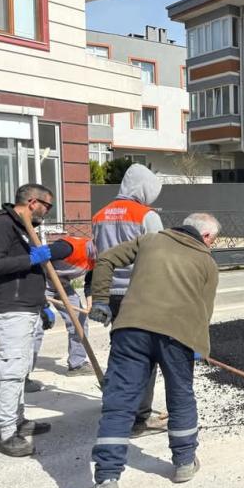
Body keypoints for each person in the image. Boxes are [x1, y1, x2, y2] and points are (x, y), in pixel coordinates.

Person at [84, 213, 220, 488]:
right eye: (214, 240)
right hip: (178, 336)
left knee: (119, 401)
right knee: (181, 396)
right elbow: (204, 310)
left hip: (131, 330)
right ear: (206, 237)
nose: (213, 245)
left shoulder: (150, 241)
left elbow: (105, 259)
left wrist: (102, 301)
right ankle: (184, 463)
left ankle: (106, 479)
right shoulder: (207, 262)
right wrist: (199, 347)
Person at [92, 163, 166, 436]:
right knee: (145, 356)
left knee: (120, 350)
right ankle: (139, 416)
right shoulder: (145, 216)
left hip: (109, 293)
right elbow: (159, 257)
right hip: (139, 293)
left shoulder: (100, 215)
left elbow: (97, 254)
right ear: (144, 187)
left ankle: (114, 402)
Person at [0, 184, 61, 457]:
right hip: (10, 308)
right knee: (10, 370)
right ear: (33, 202)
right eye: (47, 207)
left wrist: (42, 303)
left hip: (27, 307)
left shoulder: (24, 228)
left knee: (21, 369)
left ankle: (18, 421)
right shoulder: (3, 225)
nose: (46, 214)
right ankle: (6, 432)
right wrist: (31, 258)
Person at [28, 237, 96, 377]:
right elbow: (34, 260)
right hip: (40, 282)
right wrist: (42, 304)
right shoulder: (68, 248)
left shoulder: (98, 257)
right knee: (37, 326)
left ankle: (77, 364)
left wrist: (90, 300)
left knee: (79, 320)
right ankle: (23, 375)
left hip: (62, 284)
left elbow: (90, 279)